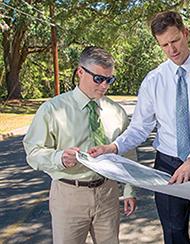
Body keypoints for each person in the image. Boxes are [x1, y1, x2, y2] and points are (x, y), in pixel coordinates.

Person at [89, 10, 190, 244]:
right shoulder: (153, 80)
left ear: (186, 33)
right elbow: (140, 128)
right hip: (167, 166)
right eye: (164, 45)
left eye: (175, 40)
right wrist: (113, 147)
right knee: (173, 233)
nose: (172, 50)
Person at [23, 46, 137, 244]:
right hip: (69, 194)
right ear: (80, 72)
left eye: (109, 80)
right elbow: (33, 152)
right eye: (99, 79)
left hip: (108, 193)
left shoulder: (116, 111)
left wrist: (129, 190)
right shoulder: (52, 109)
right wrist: (59, 158)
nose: (104, 86)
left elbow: (127, 153)